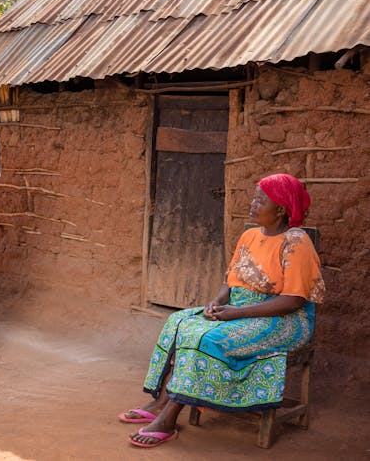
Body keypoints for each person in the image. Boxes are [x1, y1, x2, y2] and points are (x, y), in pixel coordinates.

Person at [119, 173, 325, 447]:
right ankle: (162, 399)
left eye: (260, 200)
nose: (252, 203)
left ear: (281, 209)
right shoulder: (250, 235)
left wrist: (235, 313)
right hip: (238, 308)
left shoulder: (296, 242)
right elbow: (230, 279)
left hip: (284, 320)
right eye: (254, 197)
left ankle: (169, 417)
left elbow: (293, 301)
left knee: (209, 339)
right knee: (178, 322)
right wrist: (216, 302)